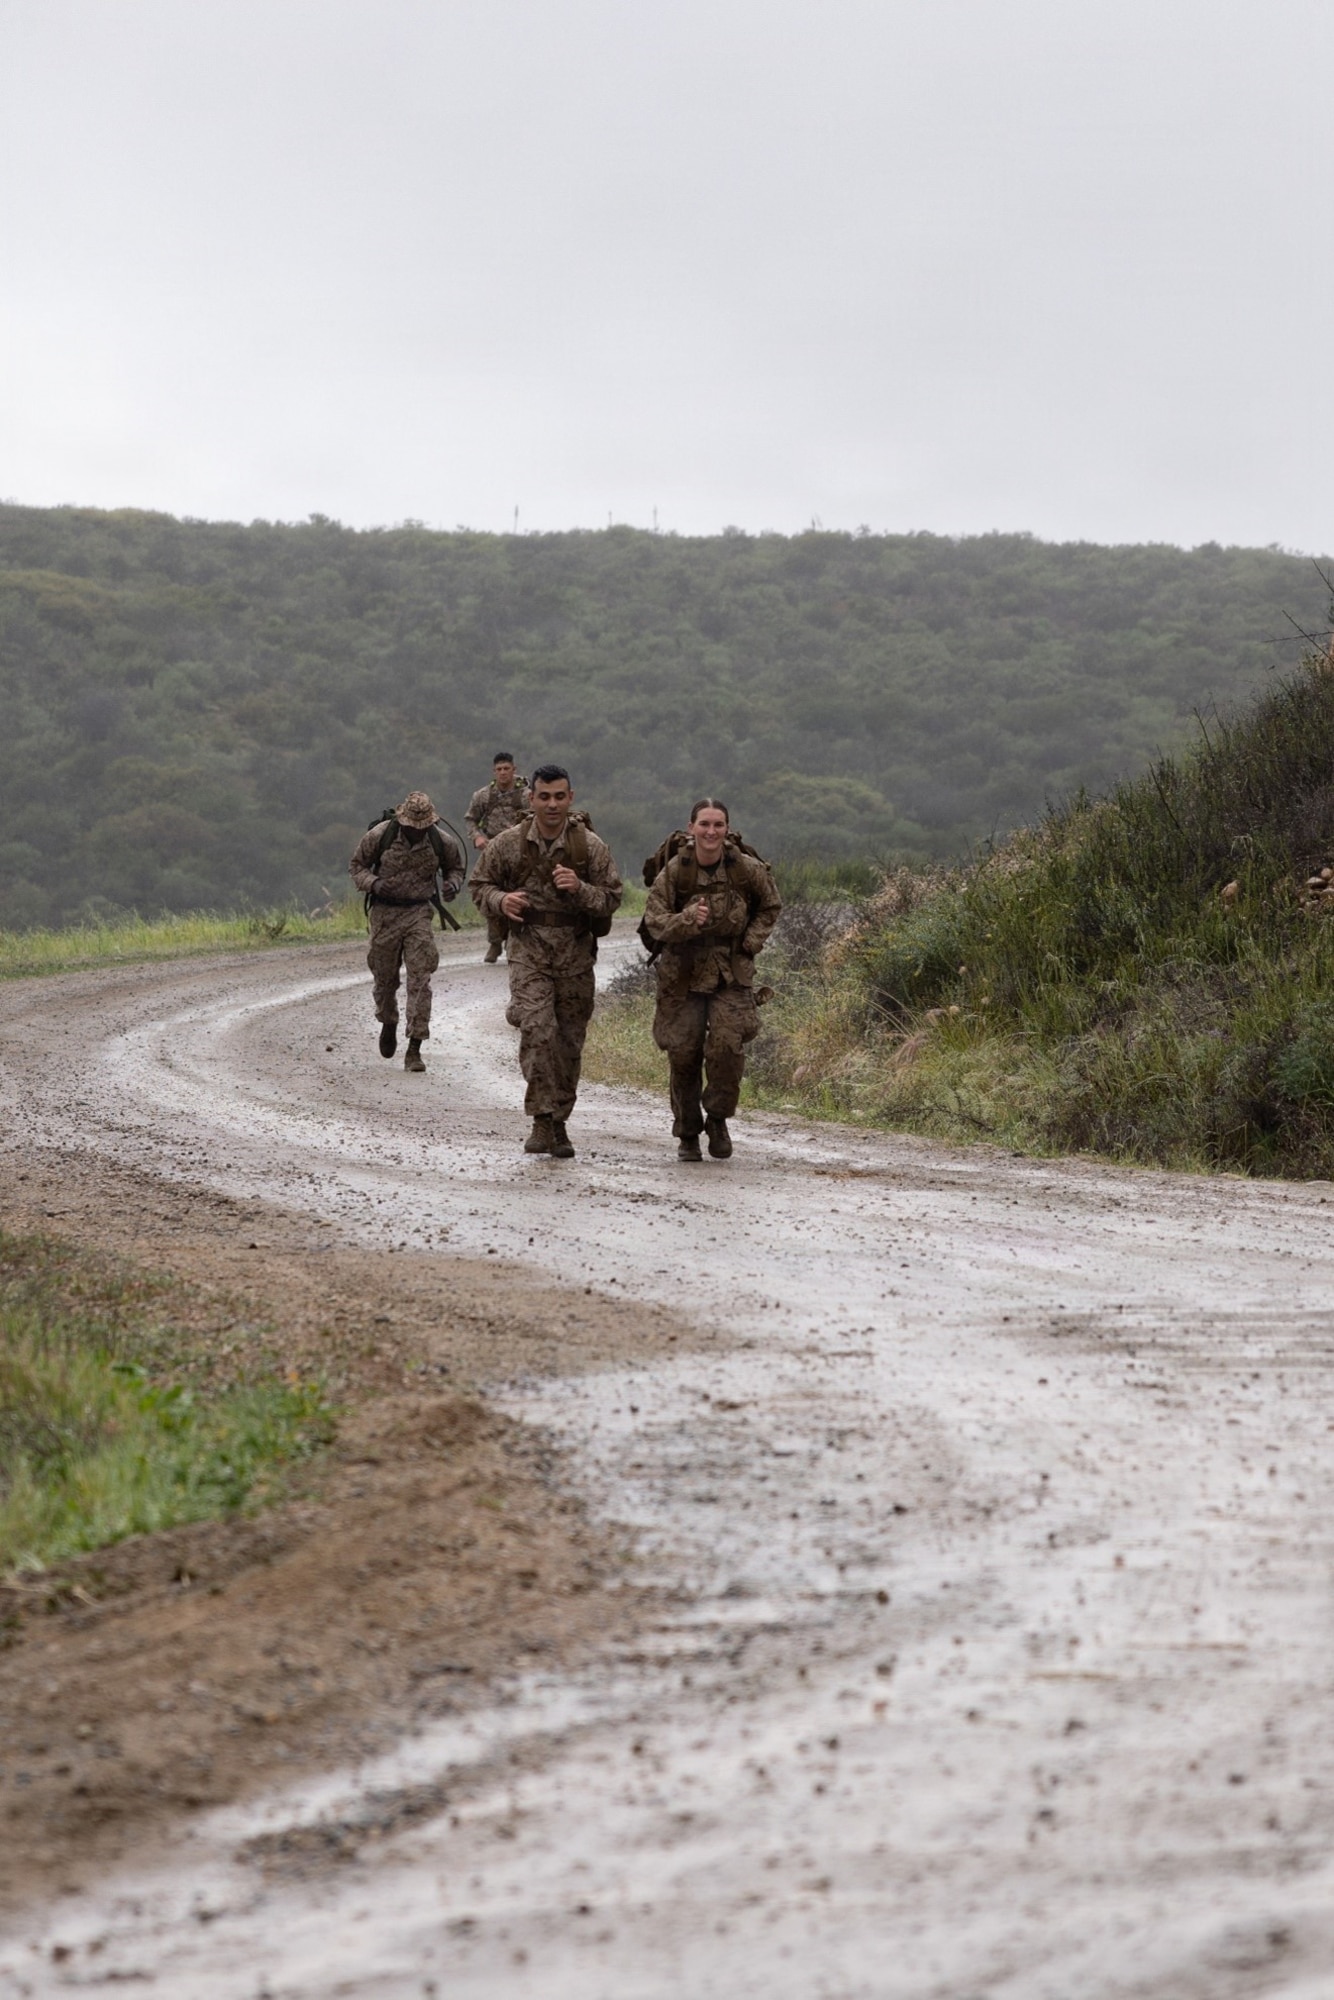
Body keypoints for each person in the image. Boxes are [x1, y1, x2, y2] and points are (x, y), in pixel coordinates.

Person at [471, 764, 622, 1157]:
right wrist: (501, 901)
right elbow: (479, 886)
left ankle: (560, 1123)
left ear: (570, 798)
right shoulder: (508, 843)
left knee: (569, 1042)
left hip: (575, 955)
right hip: (529, 951)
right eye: (544, 796)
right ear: (532, 799)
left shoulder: (590, 846)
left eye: (559, 796)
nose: (552, 804)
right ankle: (541, 1119)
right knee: (538, 1030)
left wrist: (581, 888)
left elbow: (612, 898)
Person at [642, 798, 781, 1160]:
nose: (711, 831)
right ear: (691, 828)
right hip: (681, 975)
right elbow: (654, 921)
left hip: (729, 974)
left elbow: (770, 905)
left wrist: (750, 943)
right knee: (683, 1054)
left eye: (718, 824)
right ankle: (688, 1133)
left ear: (727, 828)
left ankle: (717, 1119)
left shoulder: (745, 869)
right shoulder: (676, 872)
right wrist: (687, 919)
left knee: (727, 1049)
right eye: (704, 824)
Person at [348, 791, 465, 1073]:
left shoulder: (441, 841)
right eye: (412, 825)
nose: (416, 830)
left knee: (420, 979)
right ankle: (388, 1020)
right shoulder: (381, 835)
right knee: (384, 977)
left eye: (421, 825)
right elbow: (356, 867)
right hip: (385, 913)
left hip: (418, 913)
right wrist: (374, 884)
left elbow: (456, 869)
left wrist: (452, 885)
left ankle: (415, 1047)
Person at [465, 753, 530, 962]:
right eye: (499, 769)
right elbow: (471, 819)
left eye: (506, 768)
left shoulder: (526, 795)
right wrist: (477, 837)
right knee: (489, 895)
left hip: (521, 854)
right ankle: (495, 942)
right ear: (494, 772)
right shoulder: (483, 796)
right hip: (492, 852)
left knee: (520, 897)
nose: (503, 773)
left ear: (514, 769)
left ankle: (515, 940)